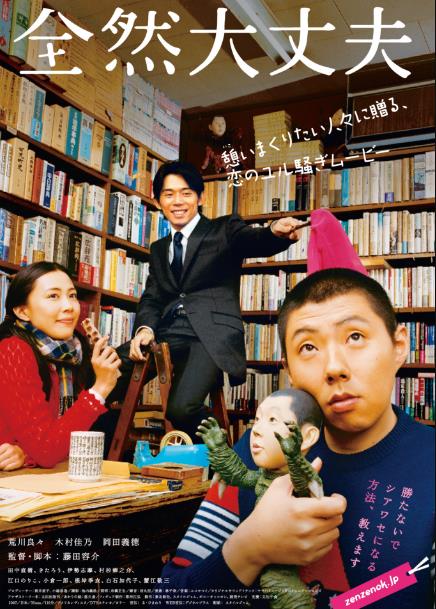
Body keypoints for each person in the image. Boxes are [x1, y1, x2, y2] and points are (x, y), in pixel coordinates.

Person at [154, 268, 434, 609]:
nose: (334, 367)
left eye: (355, 336)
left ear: (399, 346)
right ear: (289, 372)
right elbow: (166, 600)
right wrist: (249, 549)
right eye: (309, 346)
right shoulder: (259, 450)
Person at [121, 161, 304, 440]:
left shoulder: (224, 229)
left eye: (186, 193)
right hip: (168, 333)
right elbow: (152, 297)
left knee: (181, 409)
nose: (177, 201)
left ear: (200, 198)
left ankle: (224, 449)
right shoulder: (159, 248)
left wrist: (274, 232)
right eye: (169, 194)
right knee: (103, 374)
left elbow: (254, 239)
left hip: (209, 336)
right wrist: (145, 329)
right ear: (157, 202)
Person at [0, 261, 122, 469]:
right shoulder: (13, 350)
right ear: (22, 311)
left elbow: (65, 440)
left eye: (72, 295)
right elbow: (47, 449)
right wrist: (100, 388)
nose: (69, 306)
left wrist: (27, 454)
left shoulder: (74, 353)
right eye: (53, 296)